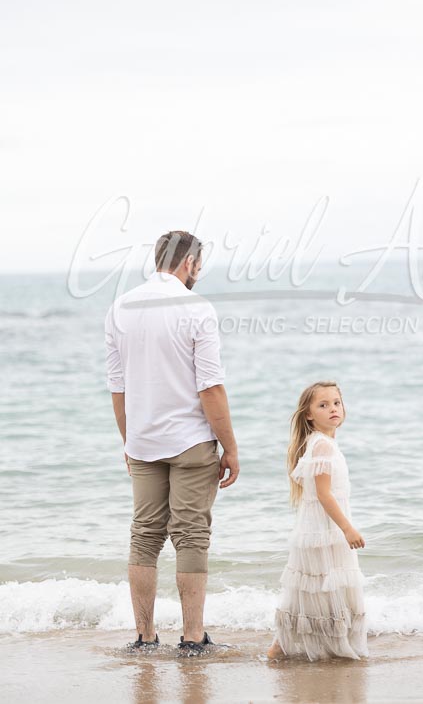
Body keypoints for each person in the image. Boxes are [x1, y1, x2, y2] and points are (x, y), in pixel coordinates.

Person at [104, 229, 239, 655]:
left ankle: (144, 637)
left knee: (144, 536)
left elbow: (118, 387)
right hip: (191, 441)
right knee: (191, 536)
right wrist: (230, 447)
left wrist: (130, 441)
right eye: (199, 264)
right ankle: (193, 638)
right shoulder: (197, 307)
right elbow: (210, 387)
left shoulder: (120, 307)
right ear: (189, 263)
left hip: (143, 441)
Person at [267, 381, 368, 661]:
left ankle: (287, 647)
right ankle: (282, 648)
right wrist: (348, 528)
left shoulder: (322, 443)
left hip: (319, 528)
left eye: (336, 403)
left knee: (318, 589)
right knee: (321, 588)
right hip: (324, 530)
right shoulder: (322, 446)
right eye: (323, 405)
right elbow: (323, 495)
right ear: (309, 414)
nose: (333, 409)